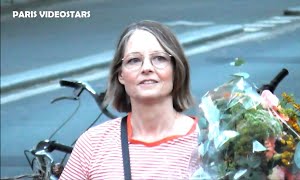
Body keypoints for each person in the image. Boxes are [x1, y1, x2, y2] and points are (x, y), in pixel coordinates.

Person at [60, 20, 199, 179]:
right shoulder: (92, 144)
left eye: (159, 58)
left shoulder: (209, 142)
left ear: (176, 69)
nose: (147, 68)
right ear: (121, 75)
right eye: (134, 60)